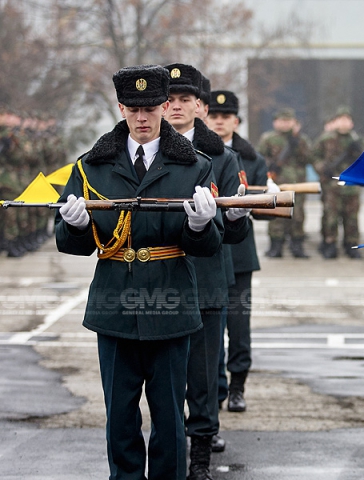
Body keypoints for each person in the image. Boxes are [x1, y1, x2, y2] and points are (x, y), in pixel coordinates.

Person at [55, 64, 229, 480]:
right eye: (133, 109)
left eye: (151, 107)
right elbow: (69, 241)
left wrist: (201, 224)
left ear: (164, 106)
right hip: (115, 302)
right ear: (120, 108)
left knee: (170, 416)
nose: (142, 117)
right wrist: (76, 227)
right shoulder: (92, 167)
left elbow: (210, 245)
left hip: (170, 300)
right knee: (120, 416)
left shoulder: (193, 166)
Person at [164, 63, 250, 479]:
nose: (177, 107)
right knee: (164, 378)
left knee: (202, 376)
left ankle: (200, 456)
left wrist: (233, 217)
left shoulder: (222, 156)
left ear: (201, 106)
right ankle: (168, 449)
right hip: (161, 280)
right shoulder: (146, 153)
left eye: (186, 100)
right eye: (171, 100)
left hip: (206, 280)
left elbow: (237, 230)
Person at [206, 89, 275, 417]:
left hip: (240, 251)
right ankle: (215, 389)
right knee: (210, 329)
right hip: (208, 250)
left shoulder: (251, 157)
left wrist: (268, 198)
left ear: (237, 121)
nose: (219, 122)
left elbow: (263, 207)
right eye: (214, 116)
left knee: (239, 324)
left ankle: (237, 386)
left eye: (226, 117)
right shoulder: (198, 153)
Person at [256, 108, 313, 258]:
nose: (285, 124)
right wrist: (271, 164)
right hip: (276, 183)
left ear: (294, 123)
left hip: (297, 183)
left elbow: (308, 159)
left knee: (298, 214)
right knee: (275, 213)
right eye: (282, 121)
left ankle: (297, 245)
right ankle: (276, 245)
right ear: (275, 122)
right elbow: (259, 158)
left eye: (288, 121)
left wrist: (297, 145)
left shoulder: (301, 140)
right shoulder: (268, 138)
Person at [314, 106, 364, 259]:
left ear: (351, 123)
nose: (344, 123)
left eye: (347, 120)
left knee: (352, 217)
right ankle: (330, 244)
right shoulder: (325, 139)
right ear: (335, 122)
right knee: (331, 216)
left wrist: (358, 152)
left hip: (351, 185)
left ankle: (351, 245)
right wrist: (323, 169)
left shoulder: (356, 141)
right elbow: (314, 156)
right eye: (340, 120)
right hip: (332, 185)